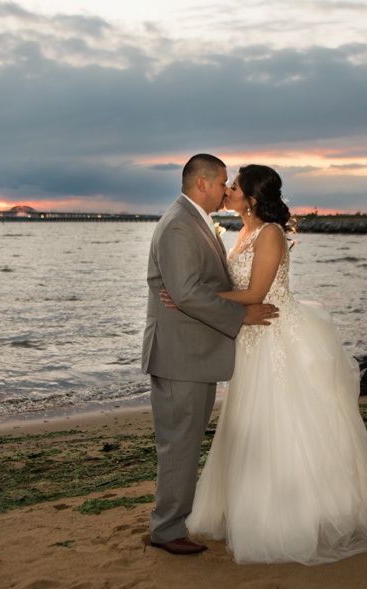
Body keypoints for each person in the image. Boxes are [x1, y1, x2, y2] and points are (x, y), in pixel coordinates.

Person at [171, 164, 367, 565]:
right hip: (251, 339)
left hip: (275, 335)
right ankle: (248, 506)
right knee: (250, 423)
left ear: (250, 198)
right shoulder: (242, 232)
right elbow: (234, 288)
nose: (227, 190)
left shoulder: (270, 233)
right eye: (225, 184)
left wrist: (189, 298)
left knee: (282, 420)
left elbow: (256, 292)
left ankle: (298, 515)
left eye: (234, 186)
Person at [142, 154, 279, 555]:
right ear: (202, 183)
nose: (226, 189)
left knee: (184, 442)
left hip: (193, 353)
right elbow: (184, 293)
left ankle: (171, 523)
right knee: (179, 445)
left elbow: (195, 288)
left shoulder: (194, 221)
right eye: (222, 182)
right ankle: (167, 531)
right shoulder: (179, 226)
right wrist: (241, 315)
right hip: (179, 356)